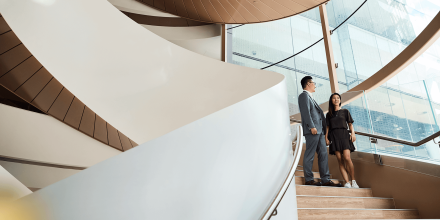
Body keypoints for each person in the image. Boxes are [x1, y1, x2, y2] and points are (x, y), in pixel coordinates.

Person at [298, 76, 341, 187]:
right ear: (308, 84)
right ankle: (309, 179)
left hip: (320, 132)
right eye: (313, 83)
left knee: (323, 154)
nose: (315, 85)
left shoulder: (311, 97)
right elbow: (305, 113)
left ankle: (325, 179)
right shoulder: (304, 96)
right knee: (310, 154)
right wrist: (311, 126)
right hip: (313, 130)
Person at [325, 93, 359, 188]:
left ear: (340, 100)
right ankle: (347, 182)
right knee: (340, 160)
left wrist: (352, 133)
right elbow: (327, 128)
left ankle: (353, 181)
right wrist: (326, 138)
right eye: (334, 98)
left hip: (344, 135)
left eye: (338, 98)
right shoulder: (329, 114)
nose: (336, 99)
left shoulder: (345, 111)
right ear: (331, 100)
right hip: (334, 137)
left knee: (347, 158)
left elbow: (350, 124)